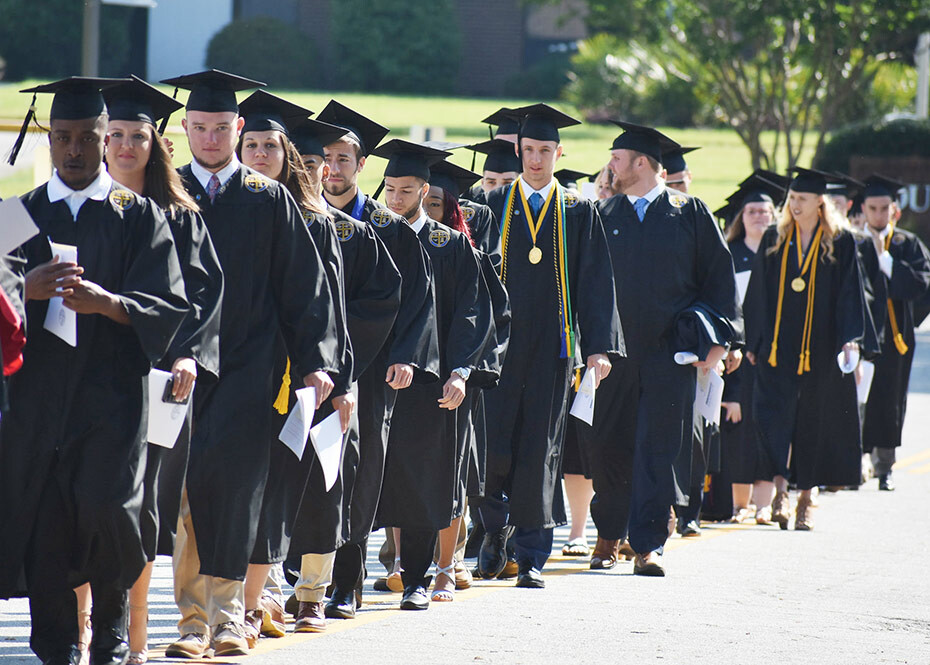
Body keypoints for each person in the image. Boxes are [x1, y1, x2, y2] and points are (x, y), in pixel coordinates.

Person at [0, 76, 189, 665]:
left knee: (111, 509)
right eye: (63, 138)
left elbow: (171, 303)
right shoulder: (19, 214)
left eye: (87, 137)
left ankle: (107, 627)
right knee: (45, 519)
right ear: (49, 141)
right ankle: (55, 643)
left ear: (107, 140)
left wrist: (109, 304)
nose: (75, 150)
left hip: (111, 399)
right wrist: (21, 290)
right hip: (36, 400)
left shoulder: (139, 217)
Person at [159, 69, 341, 658]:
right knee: (188, 492)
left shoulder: (269, 199)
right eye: (200, 128)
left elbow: (304, 288)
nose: (210, 138)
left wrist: (316, 361)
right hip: (178, 364)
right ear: (185, 129)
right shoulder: (169, 193)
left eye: (221, 128)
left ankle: (230, 616)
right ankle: (191, 620)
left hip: (249, 365)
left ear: (238, 129)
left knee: (237, 489)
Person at [102, 75, 224, 665]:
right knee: (87, 499)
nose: (126, 145)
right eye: (115, 134)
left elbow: (205, 297)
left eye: (137, 135)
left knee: (147, 506)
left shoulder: (180, 215)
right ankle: (88, 631)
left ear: (157, 144)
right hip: (87, 379)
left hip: (161, 381)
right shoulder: (72, 207)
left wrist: (186, 354)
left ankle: (138, 635)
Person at [478, 104, 624, 589]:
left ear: (559, 153)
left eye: (545, 151)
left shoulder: (579, 212)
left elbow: (595, 283)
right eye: (528, 151)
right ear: (517, 150)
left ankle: (533, 552)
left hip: (554, 350)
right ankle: (495, 527)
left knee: (541, 447)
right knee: (495, 445)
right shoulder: (494, 207)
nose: (536, 160)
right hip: (499, 349)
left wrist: (598, 347)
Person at [586, 121, 741, 576]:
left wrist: (715, 345)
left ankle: (648, 544)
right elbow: (587, 288)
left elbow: (719, 282)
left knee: (658, 450)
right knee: (608, 448)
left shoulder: (689, 213)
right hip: (611, 359)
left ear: (641, 163)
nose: (610, 167)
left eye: (617, 159)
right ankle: (608, 534)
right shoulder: (604, 216)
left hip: (668, 356)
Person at [231, 90, 359, 640]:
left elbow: (333, 309)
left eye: (269, 146)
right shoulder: (226, 206)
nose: (259, 155)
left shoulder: (316, 219)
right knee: (232, 488)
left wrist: (342, 379)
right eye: (250, 144)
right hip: (234, 369)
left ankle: (259, 598)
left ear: (286, 151)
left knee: (280, 488)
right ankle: (235, 600)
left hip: (294, 377)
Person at [313, 100, 440, 617]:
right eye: (326, 158)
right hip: (309, 368)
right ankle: (301, 582)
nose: (334, 169)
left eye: (345, 159)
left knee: (359, 475)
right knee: (305, 471)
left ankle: (347, 583)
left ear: (361, 165)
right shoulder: (303, 217)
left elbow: (419, 301)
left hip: (371, 370)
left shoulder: (391, 229)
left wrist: (406, 355)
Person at [373, 140, 499, 609]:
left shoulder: (450, 246)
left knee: (427, 480)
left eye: (406, 190)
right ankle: (380, 570)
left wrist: (462, 372)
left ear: (425, 191)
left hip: (433, 386)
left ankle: (422, 577)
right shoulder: (373, 235)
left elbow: (472, 313)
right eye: (389, 189)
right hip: (380, 378)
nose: (396, 199)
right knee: (378, 476)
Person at [743, 167, 867, 531]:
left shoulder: (841, 241)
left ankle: (807, 498)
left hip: (820, 345)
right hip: (778, 346)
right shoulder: (774, 237)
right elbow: (758, 294)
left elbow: (849, 293)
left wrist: (850, 339)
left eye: (802, 199)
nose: (794, 205)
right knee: (772, 417)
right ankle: (780, 489)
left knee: (813, 420)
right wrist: (753, 341)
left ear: (819, 202)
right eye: (792, 199)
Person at [716, 176, 783, 525]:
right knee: (739, 430)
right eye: (752, 211)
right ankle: (740, 505)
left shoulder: (782, 255)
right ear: (741, 217)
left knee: (771, 428)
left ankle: (765, 504)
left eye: (765, 211)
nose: (759, 216)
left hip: (775, 355)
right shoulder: (730, 255)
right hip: (738, 355)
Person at [859, 175, 930, 491]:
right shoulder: (851, 241)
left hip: (896, 336)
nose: (878, 214)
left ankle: (884, 467)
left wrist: (886, 261)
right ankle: (854, 462)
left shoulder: (906, 244)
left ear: (895, 210)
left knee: (889, 399)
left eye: (884, 208)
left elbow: (921, 283)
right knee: (857, 398)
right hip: (859, 335)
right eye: (872, 208)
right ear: (862, 209)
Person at [465, 138, 522, 202]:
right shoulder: (471, 205)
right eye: (491, 182)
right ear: (482, 183)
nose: (497, 189)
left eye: (507, 183)